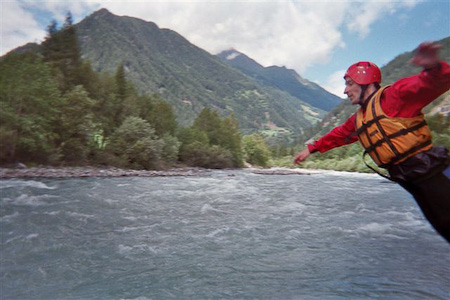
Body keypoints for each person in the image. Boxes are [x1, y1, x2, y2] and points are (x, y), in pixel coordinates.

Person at [293, 41, 450, 243]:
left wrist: (433, 67)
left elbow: (434, 82)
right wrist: (311, 148)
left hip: (436, 172)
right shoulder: (359, 118)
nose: (345, 91)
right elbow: (339, 135)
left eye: (349, 84)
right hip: (413, 181)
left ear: (365, 82)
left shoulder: (395, 96)